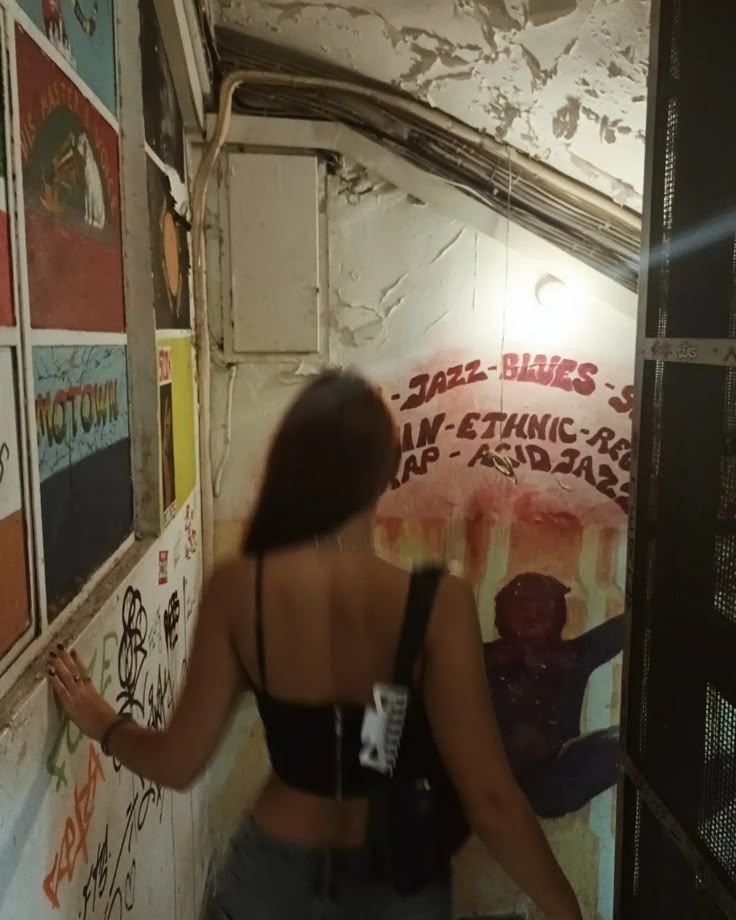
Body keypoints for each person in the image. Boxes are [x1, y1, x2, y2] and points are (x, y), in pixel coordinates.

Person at [47, 369, 582, 920]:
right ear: (388, 472)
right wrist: (566, 911)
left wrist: (100, 721)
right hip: (394, 880)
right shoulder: (434, 604)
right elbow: (491, 801)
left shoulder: (240, 590)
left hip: (271, 878)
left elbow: (179, 763)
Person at [485, 573, 624, 819]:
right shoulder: (484, 659)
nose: (533, 614)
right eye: (522, 607)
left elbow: (626, 627)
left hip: (554, 779)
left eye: (541, 606)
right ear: (502, 616)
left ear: (559, 613)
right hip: (490, 785)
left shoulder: (572, 657)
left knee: (622, 746)